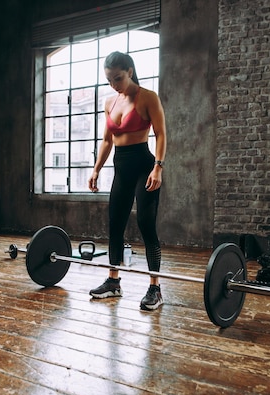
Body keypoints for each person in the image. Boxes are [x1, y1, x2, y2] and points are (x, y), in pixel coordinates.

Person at [88, 51, 167, 311]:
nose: (114, 84)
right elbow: (108, 140)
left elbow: (161, 134)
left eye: (118, 78)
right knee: (115, 223)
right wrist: (96, 169)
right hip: (121, 168)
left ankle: (155, 287)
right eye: (109, 80)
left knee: (146, 224)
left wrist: (158, 167)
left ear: (130, 71)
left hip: (144, 166)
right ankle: (113, 282)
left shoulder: (148, 97)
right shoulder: (110, 102)